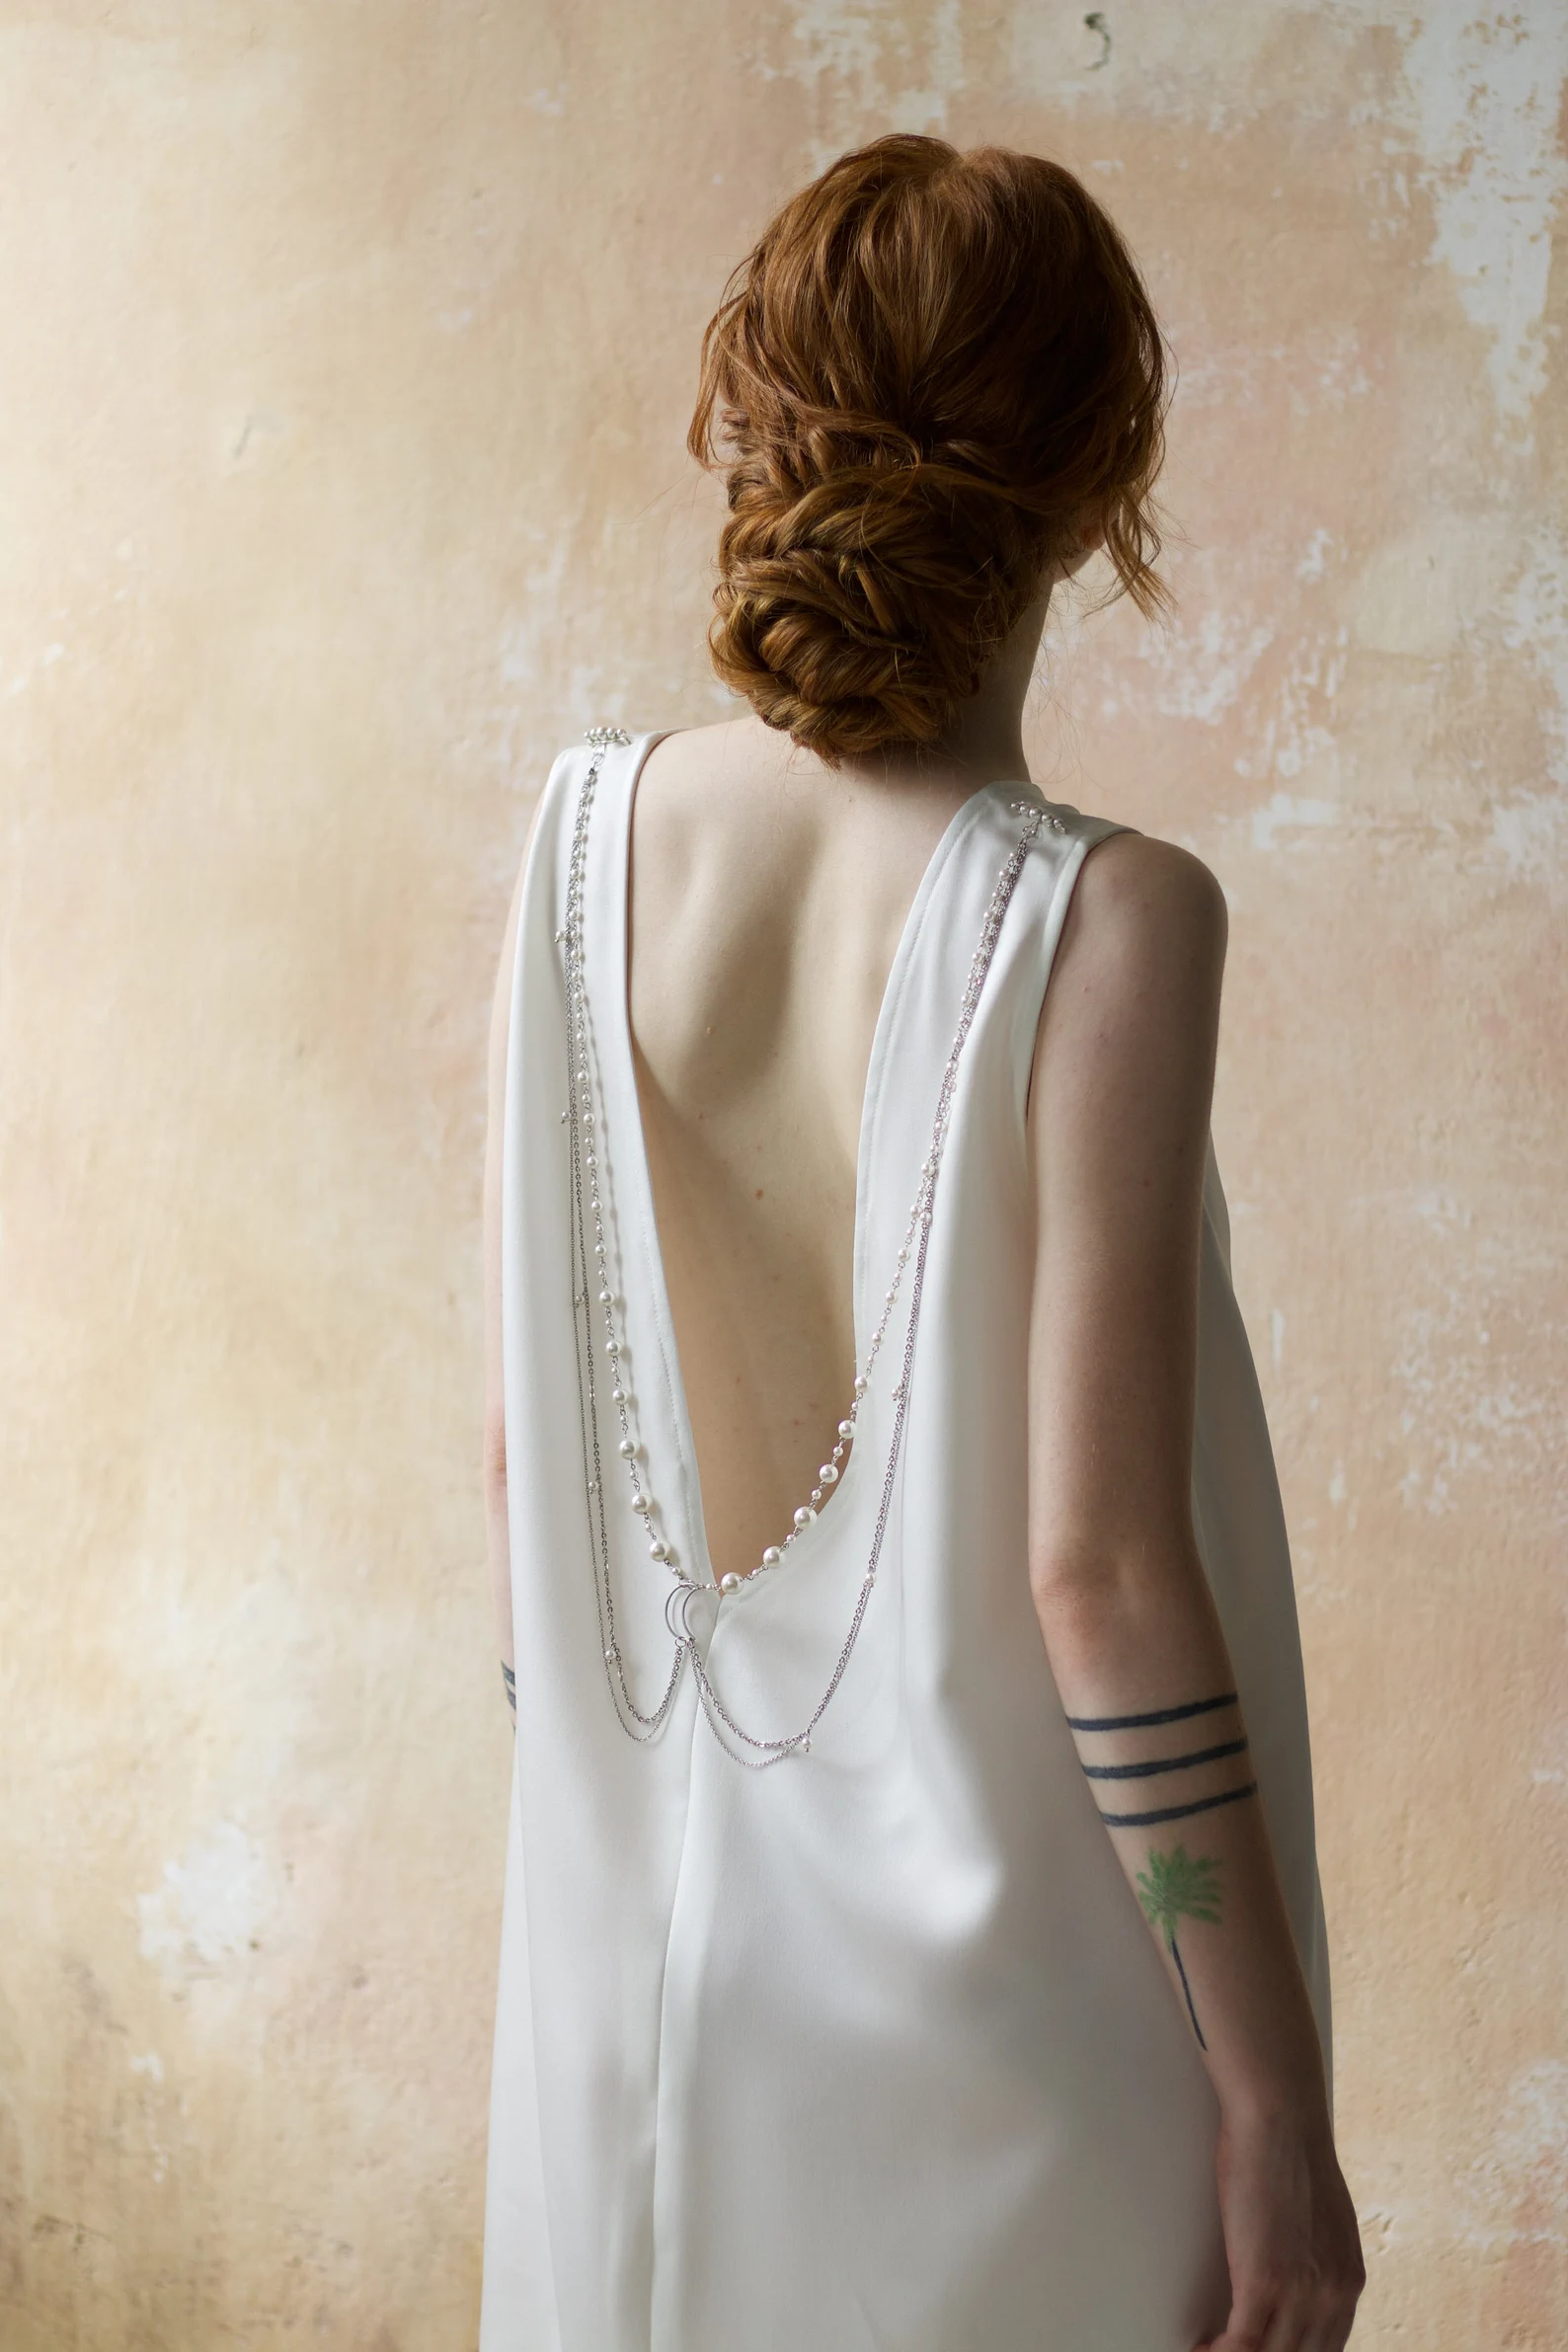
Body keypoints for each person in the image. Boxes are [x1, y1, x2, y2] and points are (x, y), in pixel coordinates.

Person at [479, 133, 1364, 2352]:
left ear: (756, 423)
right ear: (1097, 484)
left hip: (629, 1999)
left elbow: (532, 1477)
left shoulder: (579, 847)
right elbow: (1101, 1573)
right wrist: (1268, 2108)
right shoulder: (1107, 917)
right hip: (1022, 2042)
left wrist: (625, 1826)